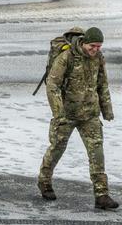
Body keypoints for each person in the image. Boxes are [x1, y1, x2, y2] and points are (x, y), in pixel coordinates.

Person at [38, 26, 117, 209]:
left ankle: (102, 195)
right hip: (67, 114)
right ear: (84, 42)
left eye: (99, 47)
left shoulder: (98, 59)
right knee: (57, 148)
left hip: (90, 114)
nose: (95, 50)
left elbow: (102, 84)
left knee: (97, 153)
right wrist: (58, 114)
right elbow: (52, 85)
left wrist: (107, 110)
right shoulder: (67, 57)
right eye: (93, 46)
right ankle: (44, 181)